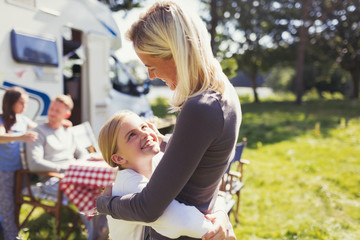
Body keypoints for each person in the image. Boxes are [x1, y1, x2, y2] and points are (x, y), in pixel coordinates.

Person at [96, 1, 242, 239]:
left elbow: (148, 207)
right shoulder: (224, 94)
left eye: (151, 66)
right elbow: (197, 159)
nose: (151, 76)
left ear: (176, 54)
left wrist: (105, 203)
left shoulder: (200, 108)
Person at [98, 110, 221, 240]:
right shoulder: (127, 185)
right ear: (118, 158)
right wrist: (216, 230)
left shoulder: (158, 161)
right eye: (131, 135)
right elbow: (179, 218)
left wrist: (220, 214)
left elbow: (203, 183)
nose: (145, 134)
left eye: (144, 127)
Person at [25, 94, 105, 240]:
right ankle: (95, 234)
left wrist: (76, 166)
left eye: (57, 111)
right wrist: (65, 168)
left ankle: (102, 230)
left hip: (71, 175)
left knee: (102, 190)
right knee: (90, 195)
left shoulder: (68, 131)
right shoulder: (38, 132)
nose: (52, 113)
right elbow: (34, 164)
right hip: (50, 181)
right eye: (51, 109)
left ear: (66, 114)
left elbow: (81, 153)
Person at [0, 86, 38, 240]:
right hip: (4, 171)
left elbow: (40, 129)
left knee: (15, 203)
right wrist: (21, 136)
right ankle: (10, 236)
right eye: (21, 103)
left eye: (26, 103)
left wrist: (60, 122)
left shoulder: (23, 119)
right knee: (7, 205)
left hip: (19, 171)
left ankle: (9, 230)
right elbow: (0, 137)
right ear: (10, 103)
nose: (25, 107)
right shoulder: (2, 120)